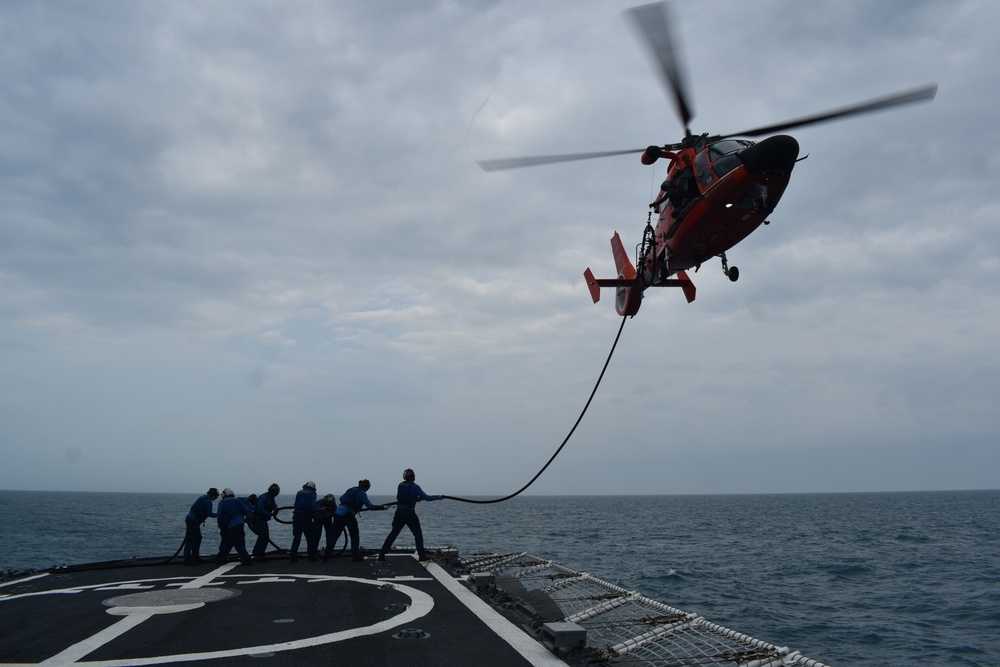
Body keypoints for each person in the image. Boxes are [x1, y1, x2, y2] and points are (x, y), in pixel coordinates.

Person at [378, 469, 442, 562]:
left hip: (399, 512)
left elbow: (401, 498)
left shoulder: (400, 485)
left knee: (393, 533)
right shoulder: (415, 487)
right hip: (409, 513)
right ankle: (421, 556)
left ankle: (382, 554)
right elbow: (427, 498)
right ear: (412, 476)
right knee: (418, 534)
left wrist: (415, 499)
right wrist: (438, 498)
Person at [328, 480, 385, 562]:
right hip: (348, 515)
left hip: (338, 513)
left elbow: (341, 498)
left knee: (334, 536)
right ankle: (355, 557)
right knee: (354, 535)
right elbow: (370, 506)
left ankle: (326, 555)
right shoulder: (362, 493)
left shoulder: (351, 489)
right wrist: (382, 508)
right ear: (366, 487)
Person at [215, 489, 255, 566]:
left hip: (232, 525)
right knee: (232, 542)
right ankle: (220, 558)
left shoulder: (222, 502)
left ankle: (247, 560)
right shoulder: (237, 501)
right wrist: (250, 521)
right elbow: (247, 510)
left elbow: (219, 515)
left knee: (236, 543)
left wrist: (220, 524)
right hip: (240, 523)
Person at [183, 487, 219, 565]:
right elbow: (209, 514)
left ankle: (195, 557)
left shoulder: (202, 498)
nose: (216, 498)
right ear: (213, 495)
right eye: (216, 496)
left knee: (197, 538)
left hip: (191, 520)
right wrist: (219, 515)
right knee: (191, 540)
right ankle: (187, 559)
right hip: (193, 521)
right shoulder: (208, 501)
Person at [290, 481, 319, 562]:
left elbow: (296, 504)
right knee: (310, 537)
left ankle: (292, 557)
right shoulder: (312, 494)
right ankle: (311, 557)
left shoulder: (299, 492)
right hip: (305, 517)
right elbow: (312, 507)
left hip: (296, 516)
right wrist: (318, 511)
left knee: (296, 538)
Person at [252, 483, 281, 561]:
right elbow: (259, 510)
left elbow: (274, 505)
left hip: (263, 519)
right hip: (258, 519)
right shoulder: (264, 497)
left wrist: (275, 508)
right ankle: (258, 554)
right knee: (263, 536)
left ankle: (259, 553)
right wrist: (270, 514)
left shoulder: (271, 497)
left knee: (264, 537)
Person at [316, 493, 338, 558]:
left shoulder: (333, 504)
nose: (330, 504)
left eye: (331, 503)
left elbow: (335, 511)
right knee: (317, 535)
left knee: (329, 535)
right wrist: (324, 513)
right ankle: (314, 551)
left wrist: (331, 514)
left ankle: (329, 550)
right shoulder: (320, 502)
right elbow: (315, 511)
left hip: (328, 519)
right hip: (318, 519)